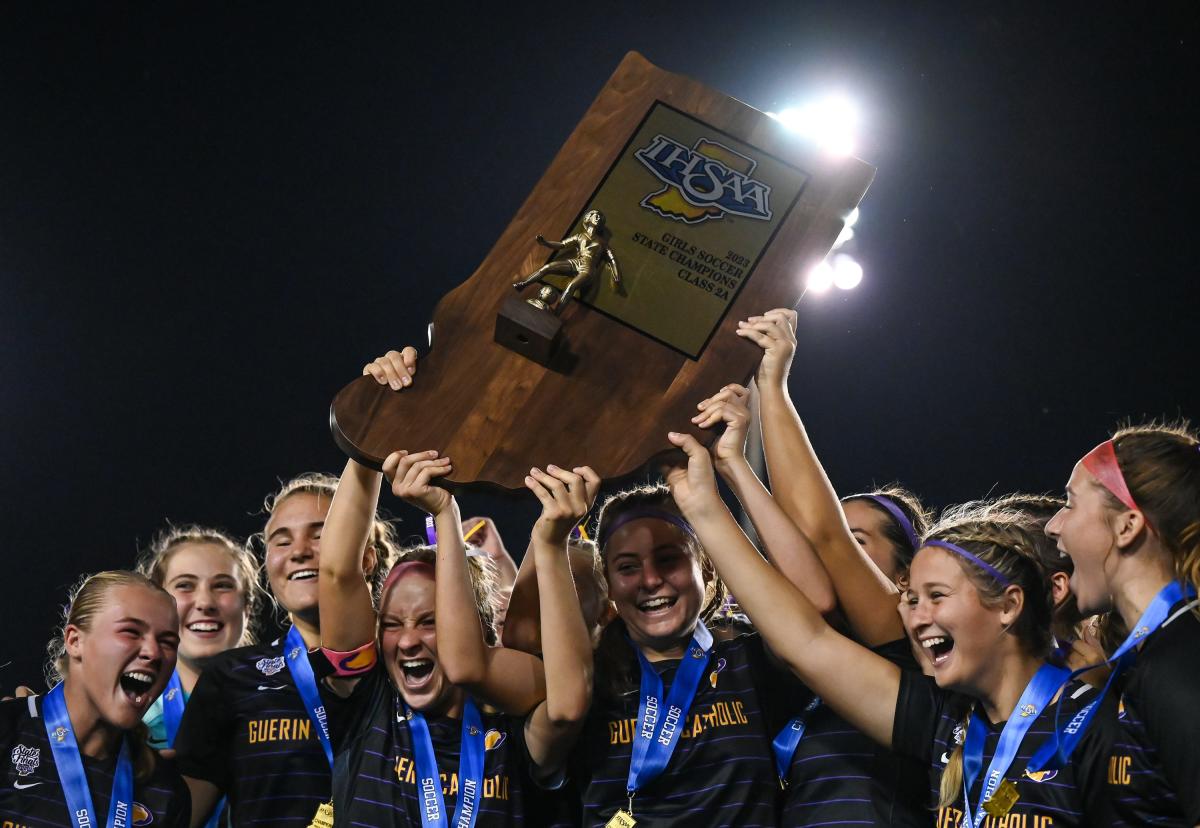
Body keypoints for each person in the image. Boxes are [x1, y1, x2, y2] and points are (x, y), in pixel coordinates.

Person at [664, 429, 1117, 825]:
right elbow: (806, 642)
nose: (916, 618)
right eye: (912, 599)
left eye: (937, 597)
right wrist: (701, 505)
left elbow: (825, 544)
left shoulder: (1095, 723)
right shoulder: (948, 724)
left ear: (1009, 605)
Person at [315, 446, 595, 824]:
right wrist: (368, 435)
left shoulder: (510, 726)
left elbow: (566, 710)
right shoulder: (368, 702)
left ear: (478, 626)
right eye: (393, 624)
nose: (408, 640)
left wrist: (548, 542)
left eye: (430, 621)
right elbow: (337, 573)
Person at [693, 381, 928, 826]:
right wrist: (730, 465)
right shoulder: (780, 661)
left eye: (856, 545)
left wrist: (772, 382)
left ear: (905, 576)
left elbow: (821, 536)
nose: (833, 556)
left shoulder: (911, 655)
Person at [172, 472, 394, 827]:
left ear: (365, 557)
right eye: (281, 541)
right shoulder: (231, 676)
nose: (300, 552)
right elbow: (182, 816)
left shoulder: (408, 668)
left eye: (320, 534)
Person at [1043, 423, 1200, 825]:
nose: (1053, 525)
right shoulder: (1157, 657)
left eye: (1070, 503)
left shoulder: (1180, 666)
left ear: (1127, 526)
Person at [1, 571, 190, 826]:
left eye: (167, 642)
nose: (154, 652)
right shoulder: (9, 731)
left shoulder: (165, 789)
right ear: (75, 641)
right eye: (131, 632)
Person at [136, 525, 261, 753]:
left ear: (247, 607)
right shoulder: (132, 713)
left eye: (222, 585)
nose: (205, 602)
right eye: (185, 585)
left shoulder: (283, 701)